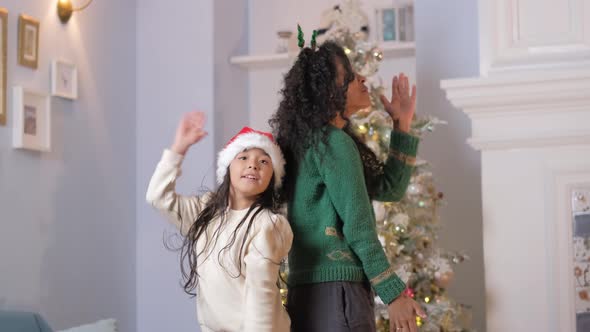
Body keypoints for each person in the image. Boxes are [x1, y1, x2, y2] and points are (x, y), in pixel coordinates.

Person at [269, 40, 426, 332]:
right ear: (329, 90)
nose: (362, 79)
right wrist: (393, 294)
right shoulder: (333, 143)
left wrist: (401, 125)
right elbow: (358, 226)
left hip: (308, 291)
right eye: (351, 76)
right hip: (337, 294)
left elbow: (389, 188)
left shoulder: (315, 141)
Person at [146, 111, 293, 332]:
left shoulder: (268, 225)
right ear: (227, 168)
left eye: (264, 161)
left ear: (272, 178)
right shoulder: (205, 212)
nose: (253, 165)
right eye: (243, 157)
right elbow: (158, 197)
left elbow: (261, 298)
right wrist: (179, 149)